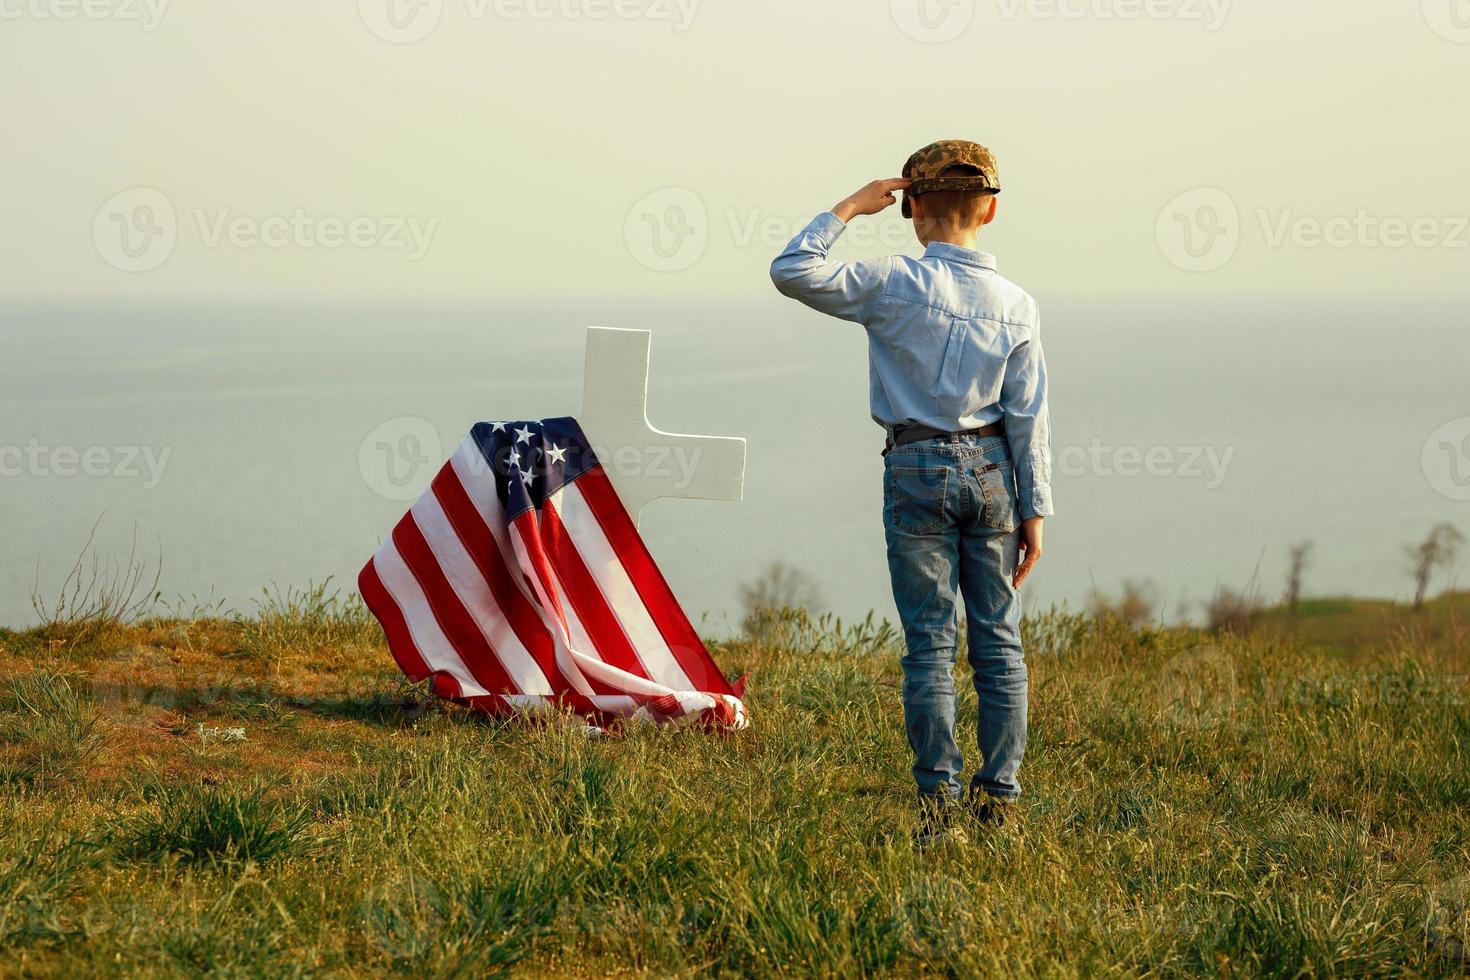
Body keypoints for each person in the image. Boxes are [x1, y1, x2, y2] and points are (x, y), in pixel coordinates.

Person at [769, 140, 1053, 849]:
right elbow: (1028, 416)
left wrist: (850, 207)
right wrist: (1035, 510)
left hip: (915, 463)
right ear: (991, 209)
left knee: (929, 645)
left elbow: (792, 271)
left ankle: (940, 811)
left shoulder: (892, 281)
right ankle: (1002, 801)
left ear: (913, 208)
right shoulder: (1019, 305)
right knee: (999, 641)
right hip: (993, 473)